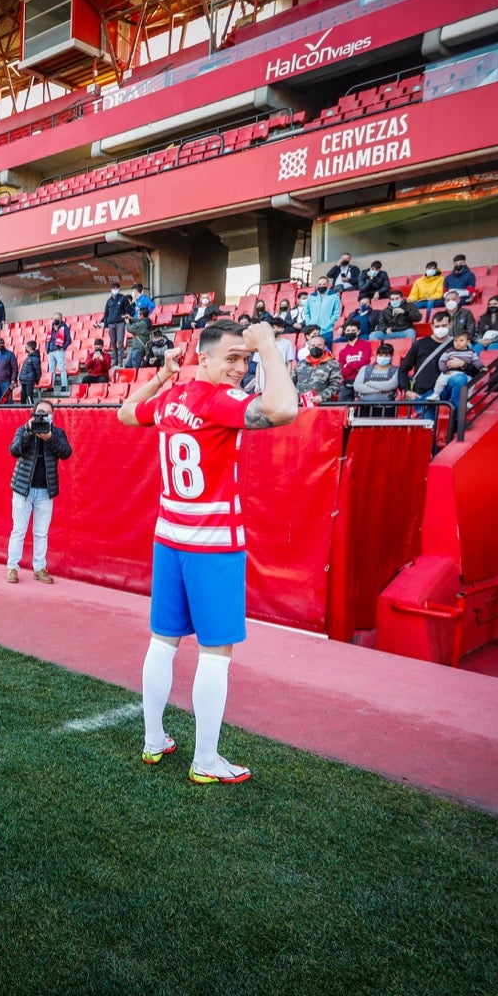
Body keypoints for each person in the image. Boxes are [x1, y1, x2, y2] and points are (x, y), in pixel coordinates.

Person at [118, 320, 300, 784]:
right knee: (215, 653)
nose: (240, 367)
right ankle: (205, 760)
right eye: (232, 358)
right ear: (205, 358)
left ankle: (154, 740)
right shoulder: (220, 400)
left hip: (169, 537)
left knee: (164, 642)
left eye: (245, 358)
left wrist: (162, 375)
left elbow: (125, 413)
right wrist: (269, 348)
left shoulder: (171, 399)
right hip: (214, 542)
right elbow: (283, 409)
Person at [5, 399, 72, 584]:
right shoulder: (23, 429)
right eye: (40, 413)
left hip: (45, 491)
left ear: (53, 415)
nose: (43, 416)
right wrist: (28, 431)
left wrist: (49, 438)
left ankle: (40, 568)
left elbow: (66, 452)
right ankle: (12, 567)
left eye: (47, 413)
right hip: (22, 489)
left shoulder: (57, 433)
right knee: (18, 530)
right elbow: (14, 450)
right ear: (33, 414)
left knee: (41, 532)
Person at [352, 341, 403, 412]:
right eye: (380, 355)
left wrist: (370, 383)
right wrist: (382, 390)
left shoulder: (396, 370)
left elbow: (392, 385)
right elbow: (357, 386)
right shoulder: (365, 369)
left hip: (387, 408)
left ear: (391, 356)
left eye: (386, 355)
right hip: (364, 406)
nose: (383, 357)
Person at [293, 332, 343, 404]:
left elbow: (335, 385)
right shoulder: (300, 364)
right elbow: (291, 382)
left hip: (322, 405)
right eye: (313, 345)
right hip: (300, 405)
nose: (315, 347)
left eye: (319, 345)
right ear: (309, 347)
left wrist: (322, 397)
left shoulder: (333, 364)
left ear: (324, 347)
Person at [335, 322, 374, 401]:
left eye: (353, 330)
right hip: (347, 383)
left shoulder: (366, 344)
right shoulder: (343, 351)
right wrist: (355, 367)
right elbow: (341, 371)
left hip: (362, 381)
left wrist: (348, 365)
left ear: (358, 331)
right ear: (345, 332)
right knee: (341, 405)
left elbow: (365, 362)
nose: (350, 332)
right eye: (348, 330)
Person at [43, 313, 71, 392]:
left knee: (62, 368)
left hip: (59, 351)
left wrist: (63, 347)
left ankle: (64, 386)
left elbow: (69, 340)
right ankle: (50, 386)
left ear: (61, 319)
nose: (55, 320)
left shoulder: (64, 328)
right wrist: (47, 348)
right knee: (52, 370)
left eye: (57, 318)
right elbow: (47, 339)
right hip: (50, 351)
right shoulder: (50, 327)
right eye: (54, 318)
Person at [102, 284, 134, 351]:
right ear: (111, 289)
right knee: (113, 343)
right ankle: (115, 359)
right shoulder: (109, 301)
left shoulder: (123, 298)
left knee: (120, 342)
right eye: (113, 288)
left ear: (119, 289)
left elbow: (128, 309)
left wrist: (126, 315)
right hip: (111, 324)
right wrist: (105, 326)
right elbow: (106, 314)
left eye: (117, 288)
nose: (115, 289)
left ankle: (120, 360)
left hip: (120, 323)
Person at [18, 339, 43, 405]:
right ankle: (23, 410)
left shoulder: (35, 358)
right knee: (23, 397)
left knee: (29, 397)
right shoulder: (29, 357)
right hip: (24, 380)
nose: (26, 348)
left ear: (30, 348)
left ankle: (31, 409)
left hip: (29, 380)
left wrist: (36, 380)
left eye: (27, 347)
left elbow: (38, 371)